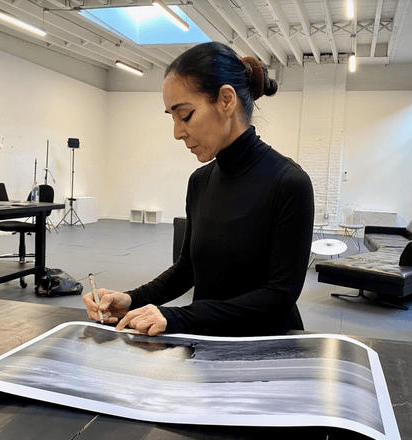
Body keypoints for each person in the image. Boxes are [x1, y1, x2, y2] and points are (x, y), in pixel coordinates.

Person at [83, 41, 314, 337]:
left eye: (186, 115)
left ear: (226, 101)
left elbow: (279, 295)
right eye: (173, 118)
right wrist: (131, 300)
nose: (178, 132)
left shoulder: (289, 182)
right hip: (206, 344)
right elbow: (187, 269)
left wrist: (179, 318)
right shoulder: (200, 181)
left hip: (265, 353)